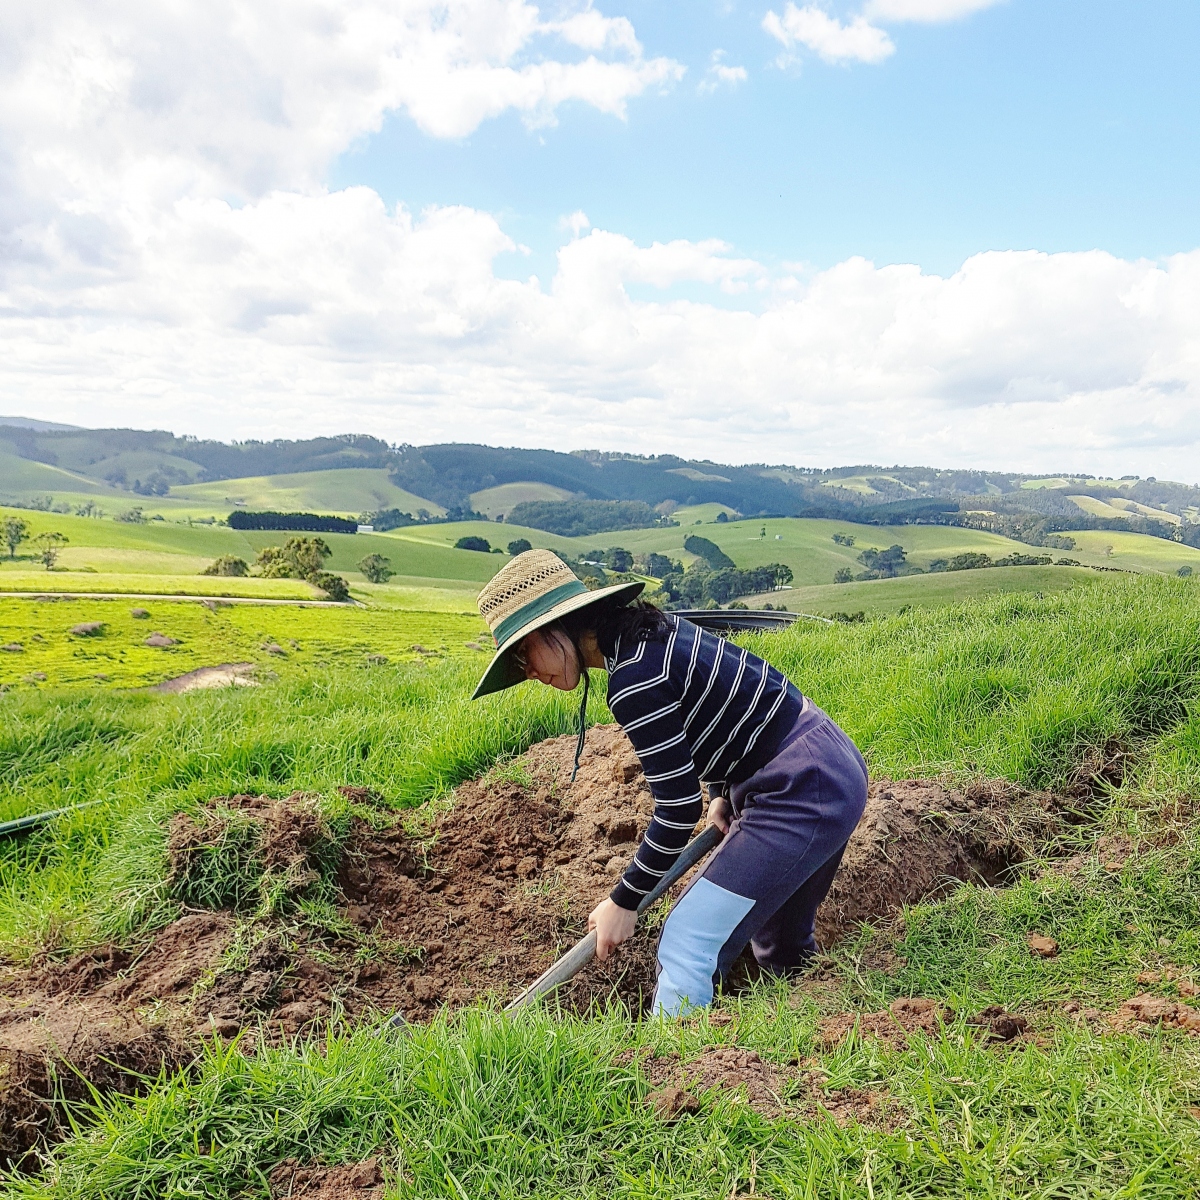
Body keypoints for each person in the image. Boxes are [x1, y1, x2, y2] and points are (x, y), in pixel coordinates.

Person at [472, 549, 868, 1015]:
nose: (530, 672)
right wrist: (723, 790)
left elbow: (678, 808)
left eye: (525, 653)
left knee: (686, 942)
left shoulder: (633, 679)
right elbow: (725, 705)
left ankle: (676, 1075)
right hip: (825, 763)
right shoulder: (656, 632)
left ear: (558, 627)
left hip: (799, 789)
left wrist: (624, 900)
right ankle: (813, 1030)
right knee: (780, 942)